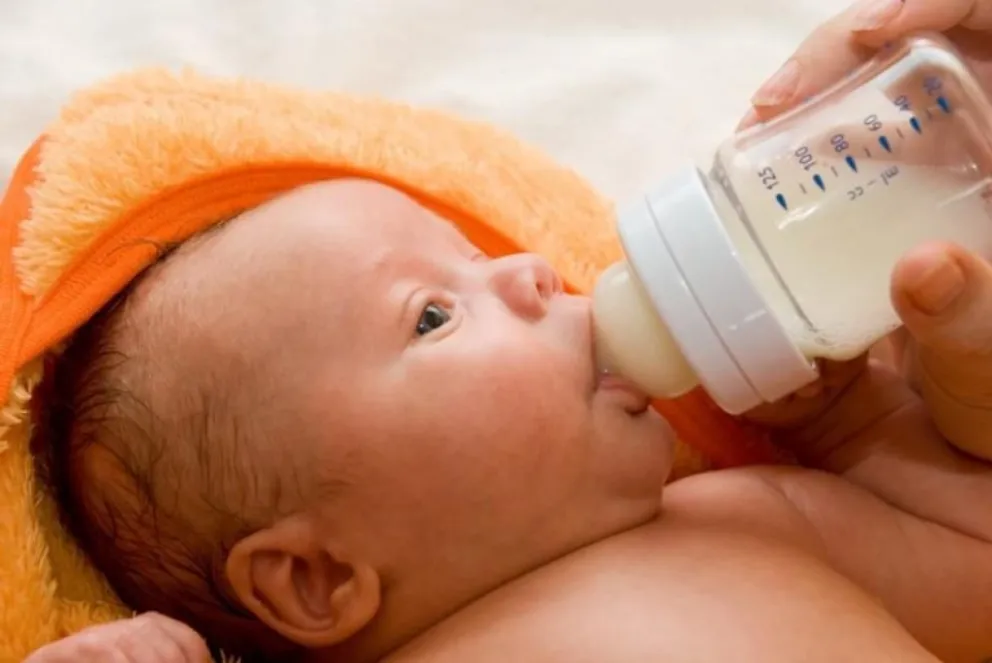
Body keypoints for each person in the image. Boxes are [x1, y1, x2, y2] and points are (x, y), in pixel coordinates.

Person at [24, 0, 992, 661]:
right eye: (433, 315)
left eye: (477, 258)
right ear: (315, 580)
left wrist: (851, 427)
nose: (530, 271)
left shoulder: (754, 518)